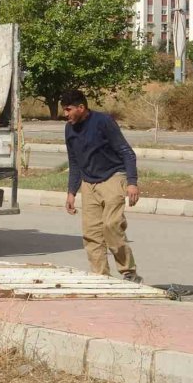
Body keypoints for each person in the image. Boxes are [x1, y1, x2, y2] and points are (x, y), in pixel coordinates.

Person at [61, 90, 143, 284]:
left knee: (111, 225)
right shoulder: (69, 129)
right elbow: (74, 162)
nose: (65, 114)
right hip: (88, 183)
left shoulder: (103, 122)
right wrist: (71, 192)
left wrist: (132, 182)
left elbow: (127, 152)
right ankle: (101, 277)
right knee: (91, 233)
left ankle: (128, 271)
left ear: (81, 108)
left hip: (113, 177)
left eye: (68, 109)